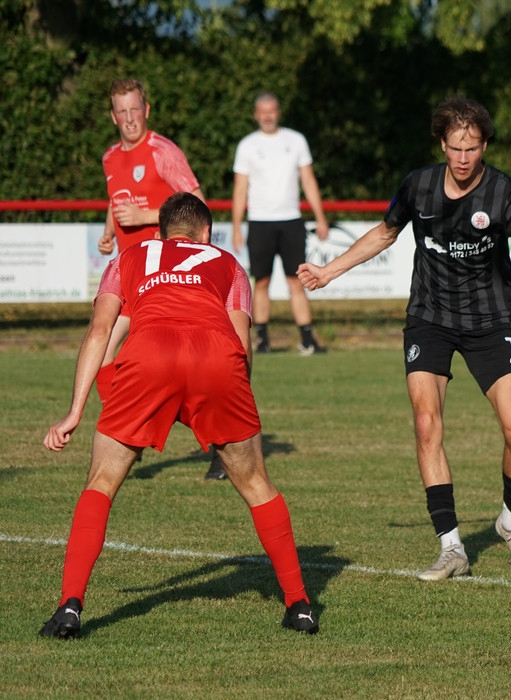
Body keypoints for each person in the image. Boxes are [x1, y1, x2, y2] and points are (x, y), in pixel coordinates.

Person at [297, 97, 511, 581]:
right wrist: (328, 271)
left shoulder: (504, 193)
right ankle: (451, 548)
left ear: (484, 145)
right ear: (442, 144)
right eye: (455, 148)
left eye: (473, 148)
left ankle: (510, 519)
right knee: (426, 424)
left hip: (487, 322)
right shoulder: (418, 186)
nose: (464, 158)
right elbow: (384, 233)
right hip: (429, 317)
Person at [39, 193, 318, 638]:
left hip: (150, 356)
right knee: (256, 482)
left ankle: (70, 606)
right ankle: (300, 604)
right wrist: (234, 409)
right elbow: (242, 341)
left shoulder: (132, 256)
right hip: (216, 359)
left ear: (160, 233)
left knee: (101, 482)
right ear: (206, 233)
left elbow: (99, 331)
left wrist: (74, 411)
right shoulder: (227, 262)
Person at [98, 78, 223, 480]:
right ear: (113, 115)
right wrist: (108, 230)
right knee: (103, 352)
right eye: (123, 111)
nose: (130, 118)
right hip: (130, 276)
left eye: (136, 110)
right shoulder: (110, 157)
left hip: (164, 279)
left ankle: (221, 443)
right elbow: (116, 201)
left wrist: (148, 217)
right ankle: (130, 431)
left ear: (146, 111)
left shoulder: (163, 152)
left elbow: (198, 205)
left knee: (190, 368)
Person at [232, 92, 329, 356]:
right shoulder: (247, 146)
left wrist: (320, 218)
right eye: (263, 111)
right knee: (260, 282)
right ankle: (262, 340)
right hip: (260, 222)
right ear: (256, 114)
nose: (267, 115)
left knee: (296, 281)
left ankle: (308, 340)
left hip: (291, 221)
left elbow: (308, 181)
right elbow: (240, 189)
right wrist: (236, 226)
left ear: (278, 112)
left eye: (272, 110)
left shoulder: (296, 141)